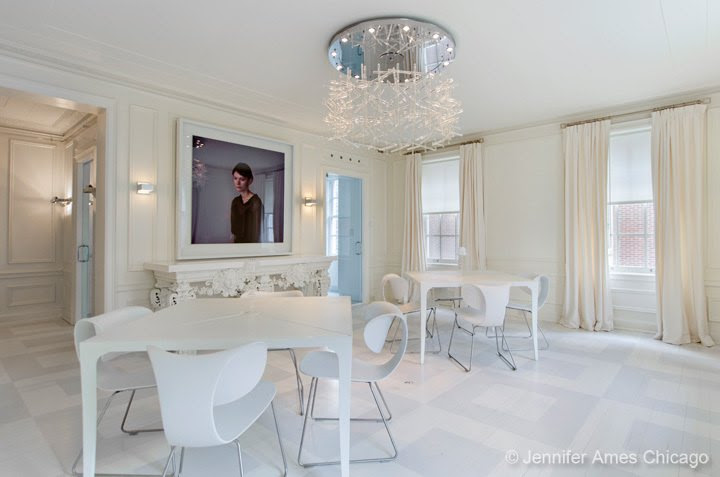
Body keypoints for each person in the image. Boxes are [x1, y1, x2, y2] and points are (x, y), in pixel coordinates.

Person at [230, 162, 263, 243]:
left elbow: (256, 233)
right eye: (235, 178)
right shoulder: (235, 201)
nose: (237, 183)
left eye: (242, 179)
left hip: (250, 246)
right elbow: (233, 231)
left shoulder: (256, 202)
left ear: (250, 180)